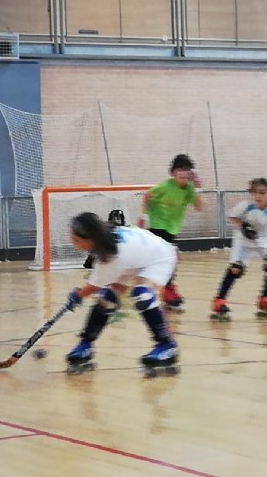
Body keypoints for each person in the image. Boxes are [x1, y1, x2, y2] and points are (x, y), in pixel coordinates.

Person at [64, 212, 179, 375]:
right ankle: (85, 345)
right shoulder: (107, 243)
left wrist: (77, 296)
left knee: (143, 295)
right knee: (107, 299)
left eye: (76, 240)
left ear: (90, 239)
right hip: (137, 258)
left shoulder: (111, 256)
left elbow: (93, 286)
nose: (73, 243)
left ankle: (167, 346)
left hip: (161, 257)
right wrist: (79, 295)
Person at [211, 178, 267, 320]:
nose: (258, 196)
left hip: (262, 242)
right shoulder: (246, 206)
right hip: (243, 242)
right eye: (255, 192)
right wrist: (244, 225)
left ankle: (265, 299)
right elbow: (232, 217)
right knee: (236, 268)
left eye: (262, 193)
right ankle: (219, 301)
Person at [139, 154, 203, 311]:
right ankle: (167, 291)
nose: (183, 173)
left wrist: (198, 188)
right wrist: (143, 216)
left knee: (167, 261)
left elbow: (199, 207)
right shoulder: (164, 187)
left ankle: (158, 289)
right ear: (173, 171)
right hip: (158, 226)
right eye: (180, 169)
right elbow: (147, 195)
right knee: (171, 258)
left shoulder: (189, 188)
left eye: (186, 170)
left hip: (172, 228)